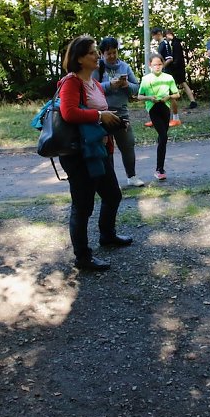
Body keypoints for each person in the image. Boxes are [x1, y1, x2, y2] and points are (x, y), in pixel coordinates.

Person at [58, 35, 133, 271]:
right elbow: (69, 113)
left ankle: (107, 235)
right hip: (79, 154)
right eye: (92, 52)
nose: (97, 56)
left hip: (99, 149)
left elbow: (100, 112)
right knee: (82, 206)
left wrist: (117, 121)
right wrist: (101, 116)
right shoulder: (71, 82)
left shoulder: (95, 83)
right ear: (79, 59)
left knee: (112, 195)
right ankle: (82, 257)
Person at [92, 37, 145, 188]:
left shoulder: (124, 67)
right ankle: (110, 181)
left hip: (121, 113)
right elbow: (92, 88)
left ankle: (132, 176)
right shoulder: (97, 68)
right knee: (106, 150)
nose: (112, 56)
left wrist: (126, 84)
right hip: (102, 115)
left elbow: (137, 88)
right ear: (102, 54)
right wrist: (110, 85)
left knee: (128, 145)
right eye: (108, 53)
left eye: (114, 52)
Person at [138, 54, 180, 181]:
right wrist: (149, 98)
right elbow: (139, 96)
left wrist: (169, 97)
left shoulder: (168, 78)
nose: (157, 67)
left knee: (162, 138)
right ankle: (159, 169)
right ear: (150, 66)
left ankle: (160, 166)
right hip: (153, 108)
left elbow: (177, 94)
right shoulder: (146, 79)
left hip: (165, 108)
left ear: (163, 64)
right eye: (155, 65)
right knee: (163, 136)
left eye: (160, 64)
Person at [158, 28, 197, 117]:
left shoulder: (175, 43)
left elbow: (177, 57)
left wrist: (173, 65)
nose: (166, 38)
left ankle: (190, 101)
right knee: (182, 83)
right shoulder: (174, 43)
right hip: (178, 67)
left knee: (180, 84)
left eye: (167, 35)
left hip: (177, 68)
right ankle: (192, 101)